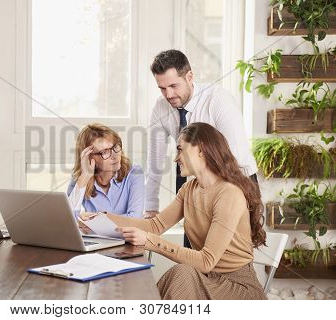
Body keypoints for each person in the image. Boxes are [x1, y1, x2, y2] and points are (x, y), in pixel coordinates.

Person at [81, 122, 267, 300]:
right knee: (182, 274)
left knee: (183, 273)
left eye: (179, 149)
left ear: (201, 150)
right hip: (207, 279)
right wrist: (104, 217)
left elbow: (206, 261)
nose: (176, 158)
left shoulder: (229, 194)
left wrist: (149, 241)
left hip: (236, 288)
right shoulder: (189, 189)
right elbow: (155, 225)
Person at [145, 50, 258, 242]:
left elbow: (235, 158)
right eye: (162, 88)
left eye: (173, 85)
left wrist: (221, 198)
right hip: (198, 185)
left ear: (189, 77)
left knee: (228, 255)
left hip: (237, 180)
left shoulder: (218, 100)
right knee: (192, 253)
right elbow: (155, 161)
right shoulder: (161, 107)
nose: (169, 94)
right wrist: (151, 207)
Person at [67, 123, 144, 218]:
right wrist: (85, 176)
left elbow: (135, 218)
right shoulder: (80, 178)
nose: (115, 156)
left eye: (115, 147)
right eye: (104, 152)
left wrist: (95, 220)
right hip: (91, 234)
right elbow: (68, 219)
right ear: (89, 157)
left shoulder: (134, 172)